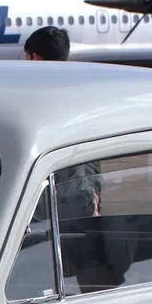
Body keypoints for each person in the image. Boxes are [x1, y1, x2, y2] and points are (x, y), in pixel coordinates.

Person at [25, 26, 101, 218]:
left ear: (36, 58)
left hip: (42, 208)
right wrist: (95, 194)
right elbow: (94, 155)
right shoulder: (82, 97)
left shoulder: (29, 99)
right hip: (80, 200)